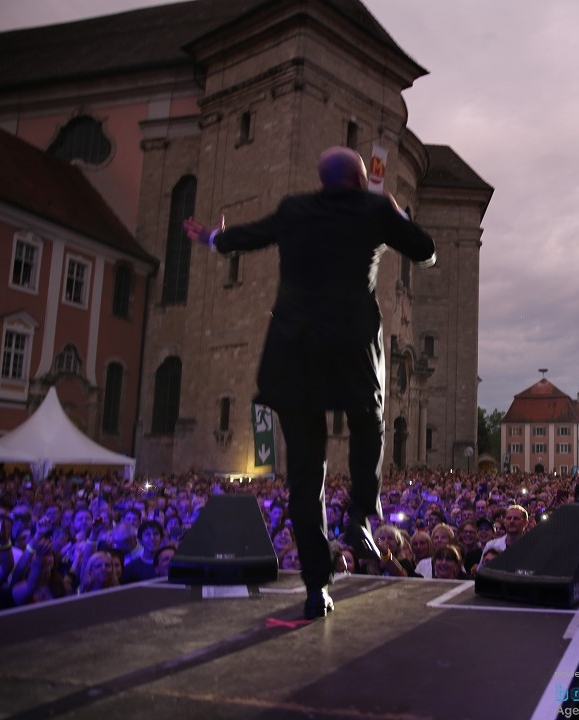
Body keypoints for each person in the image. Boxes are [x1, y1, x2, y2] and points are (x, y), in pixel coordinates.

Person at [184, 146, 436, 620]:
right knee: (370, 421)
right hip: (350, 348)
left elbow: (250, 236)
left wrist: (214, 239)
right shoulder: (375, 208)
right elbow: (425, 251)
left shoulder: (294, 209)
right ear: (361, 180)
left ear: (324, 181)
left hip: (293, 354)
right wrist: (398, 212)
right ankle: (362, 514)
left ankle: (316, 588)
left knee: (306, 477)